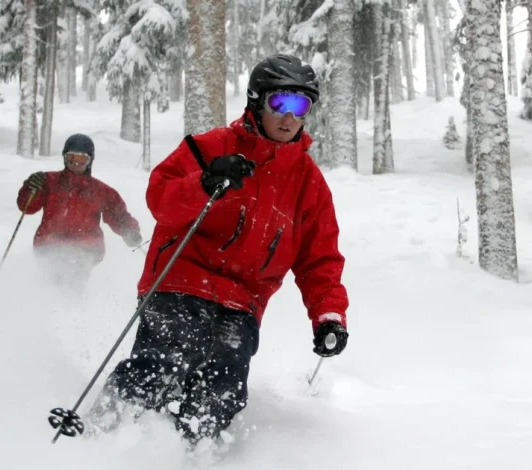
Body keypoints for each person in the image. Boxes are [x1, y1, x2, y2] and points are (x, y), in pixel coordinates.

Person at [85, 54, 350, 444]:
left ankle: (189, 452)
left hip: (243, 303)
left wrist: (328, 315)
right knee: (161, 362)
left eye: (301, 105)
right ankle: (103, 436)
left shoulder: (308, 183)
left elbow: (320, 257)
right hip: (181, 281)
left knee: (222, 385)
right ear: (258, 101)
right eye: (281, 102)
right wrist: (206, 182)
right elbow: (160, 198)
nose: (290, 116)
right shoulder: (211, 147)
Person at [16, 133, 143, 286]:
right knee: (52, 277)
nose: (76, 164)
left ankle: (72, 305)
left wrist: (129, 230)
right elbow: (27, 207)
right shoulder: (49, 181)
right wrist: (30, 188)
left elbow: (117, 214)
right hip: (49, 244)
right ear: (64, 158)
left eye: (81, 160)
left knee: (72, 271)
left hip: (85, 247)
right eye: (71, 159)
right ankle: (49, 303)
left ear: (90, 161)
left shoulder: (99, 190)